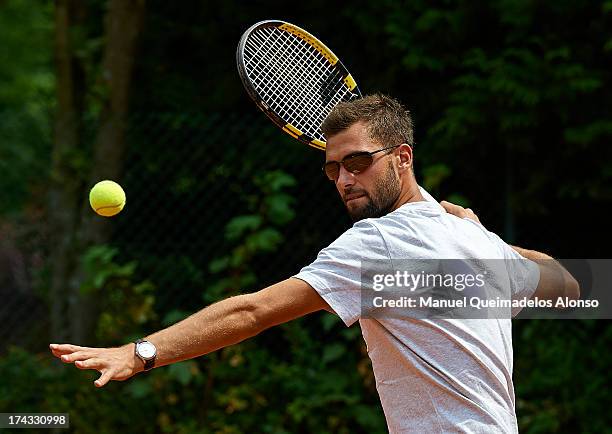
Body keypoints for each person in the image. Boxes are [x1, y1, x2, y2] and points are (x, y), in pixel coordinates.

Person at [50, 94, 579, 433]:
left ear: (402, 157)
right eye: (332, 170)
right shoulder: (464, 236)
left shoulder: (381, 242)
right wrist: (491, 241)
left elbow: (255, 311)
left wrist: (142, 352)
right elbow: (569, 286)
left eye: (357, 163)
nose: (345, 180)